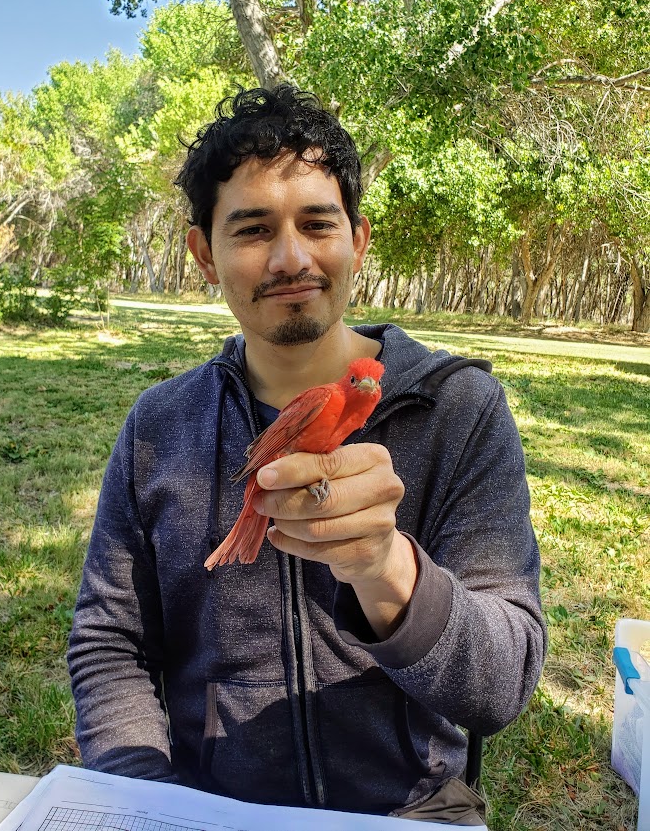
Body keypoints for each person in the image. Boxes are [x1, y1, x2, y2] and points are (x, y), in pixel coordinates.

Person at [67, 84, 546, 825]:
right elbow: (108, 643)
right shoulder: (158, 426)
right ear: (202, 253)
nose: (290, 258)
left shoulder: (460, 410)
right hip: (206, 807)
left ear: (356, 239)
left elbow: (501, 685)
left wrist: (389, 571)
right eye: (253, 228)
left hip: (409, 809)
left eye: (316, 223)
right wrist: (140, 797)